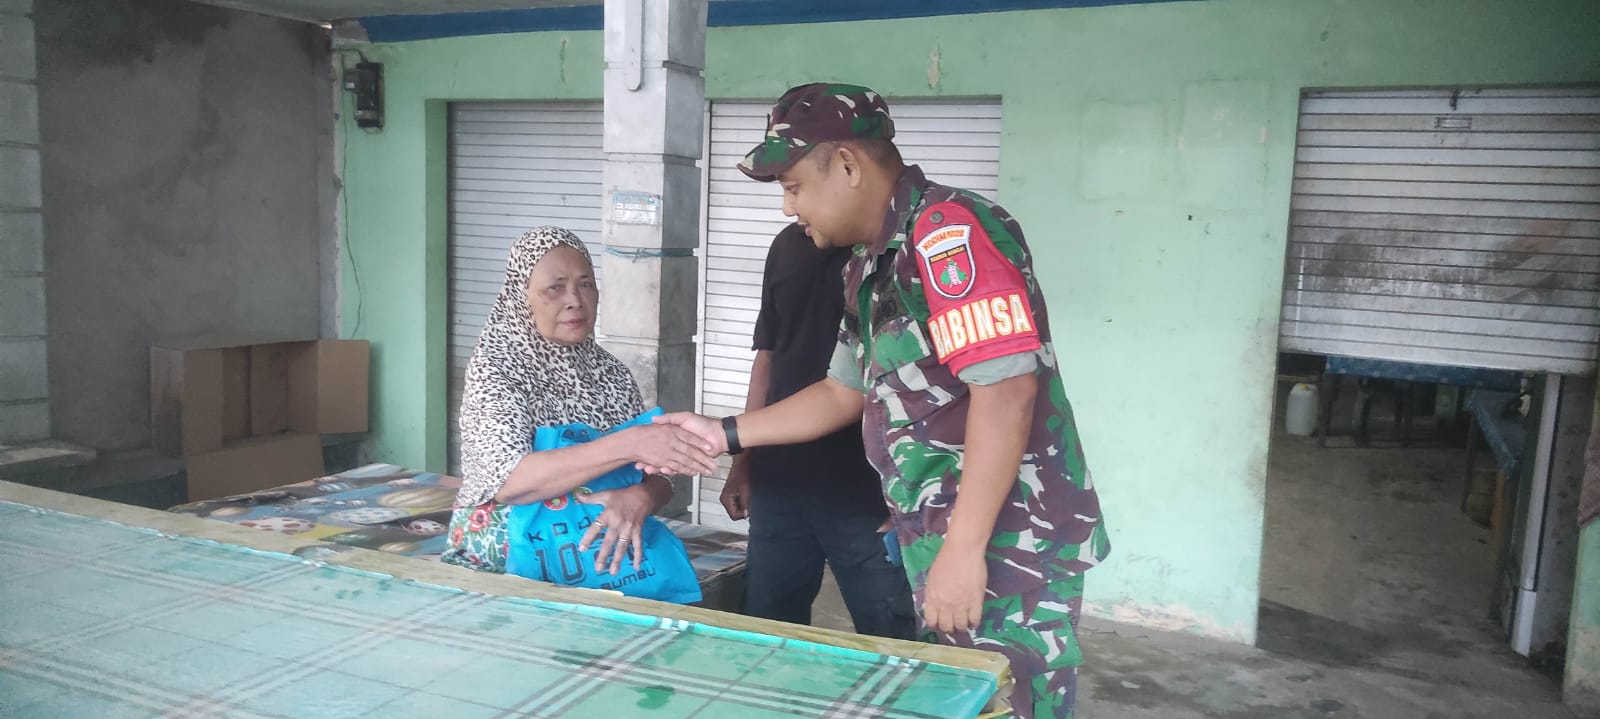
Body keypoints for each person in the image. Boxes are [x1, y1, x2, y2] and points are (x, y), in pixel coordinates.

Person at [649, 84, 1111, 719]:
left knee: (1008, 698)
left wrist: (964, 548)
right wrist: (722, 434)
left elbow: (1006, 392)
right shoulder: (871, 266)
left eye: (792, 185)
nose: (788, 206)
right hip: (940, 530)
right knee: (954, 698)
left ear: (846, 164)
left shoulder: (948, 233)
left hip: (1005, 544)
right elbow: (841, 392)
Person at [444, 226, 717, 579]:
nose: (575, 299)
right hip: (509, 557)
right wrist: (627, 444)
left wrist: (643, 497)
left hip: (596, 554)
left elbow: (659, 473)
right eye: (555, 288)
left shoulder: (610, 372)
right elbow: (510, 482)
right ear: (521, 296)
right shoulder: (497, 368)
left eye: (585, 284)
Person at [721, 222, 915, 639]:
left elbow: (906, 387)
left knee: (894, 644)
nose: (789, 204)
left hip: (866, 496)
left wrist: (909, 496)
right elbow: (767, 359)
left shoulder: (892, 255)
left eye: (796, 186)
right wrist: (743, 464)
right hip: (780, 486)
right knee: (766, 634)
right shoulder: (786, 246)